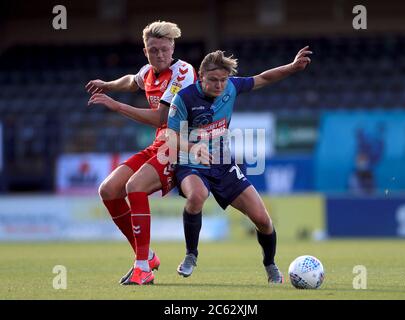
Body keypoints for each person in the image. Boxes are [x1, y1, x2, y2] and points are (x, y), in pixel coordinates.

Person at [166, 47, 312, 283]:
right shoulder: (183, 98)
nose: (219, 85)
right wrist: (193, 149)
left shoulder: (232, 87)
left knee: (263, 220)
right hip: (191, 162)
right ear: (201, 76)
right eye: (213, 80)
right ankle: (191, 255)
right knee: (197, 196)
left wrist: (292, 67)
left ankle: (270, 264)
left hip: (223, 164)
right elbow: (170, 137)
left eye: (223, 80)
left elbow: (263, 78)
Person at [86, 21, 196, 285]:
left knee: (135, 186)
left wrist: (116, 106)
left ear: (173, 49)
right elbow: (131, 81)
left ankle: (142, 267)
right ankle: (145, 255)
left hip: (180, 146)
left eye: (164, 49)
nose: (159, 55)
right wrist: (108, 85)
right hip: (159, 144)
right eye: (153, 50)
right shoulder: (148, 71)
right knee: (109, 190)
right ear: (145, 51)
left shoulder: (182, 72)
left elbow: (161, 117)